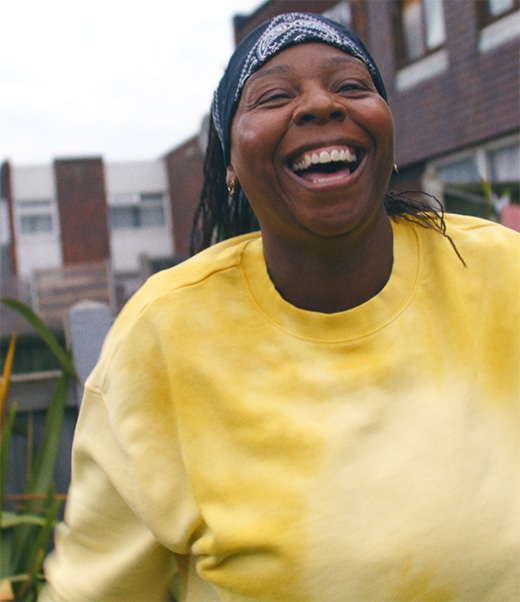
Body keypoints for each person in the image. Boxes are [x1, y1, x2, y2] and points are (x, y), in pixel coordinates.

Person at [40, 12, 519, 602]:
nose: (320, 104)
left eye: (351, 86)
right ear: (231, 166)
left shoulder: (502, 273)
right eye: (273, 97)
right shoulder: (163, 337)